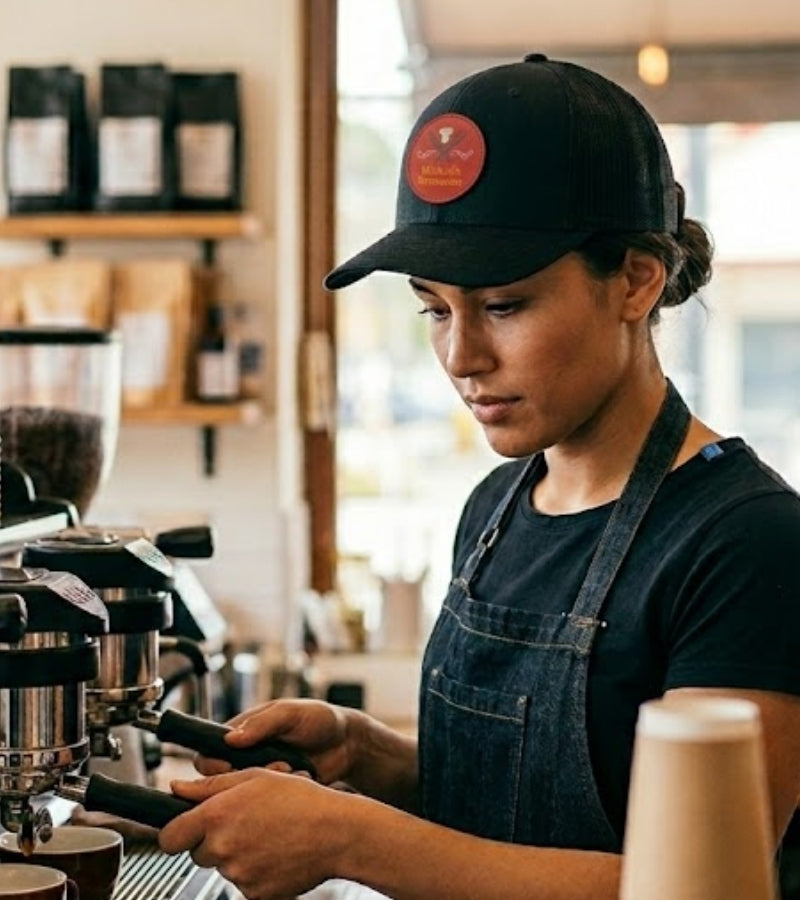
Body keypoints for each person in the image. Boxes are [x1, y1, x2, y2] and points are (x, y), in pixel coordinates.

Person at [158, 53, 800, 900]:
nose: (461, 357)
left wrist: (352, 837)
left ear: (638, 280)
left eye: (505, 306)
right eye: (435, 309)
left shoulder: (748, 543)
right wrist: (368, 755)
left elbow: (700, 886)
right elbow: (520, 816)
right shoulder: (495, 509)